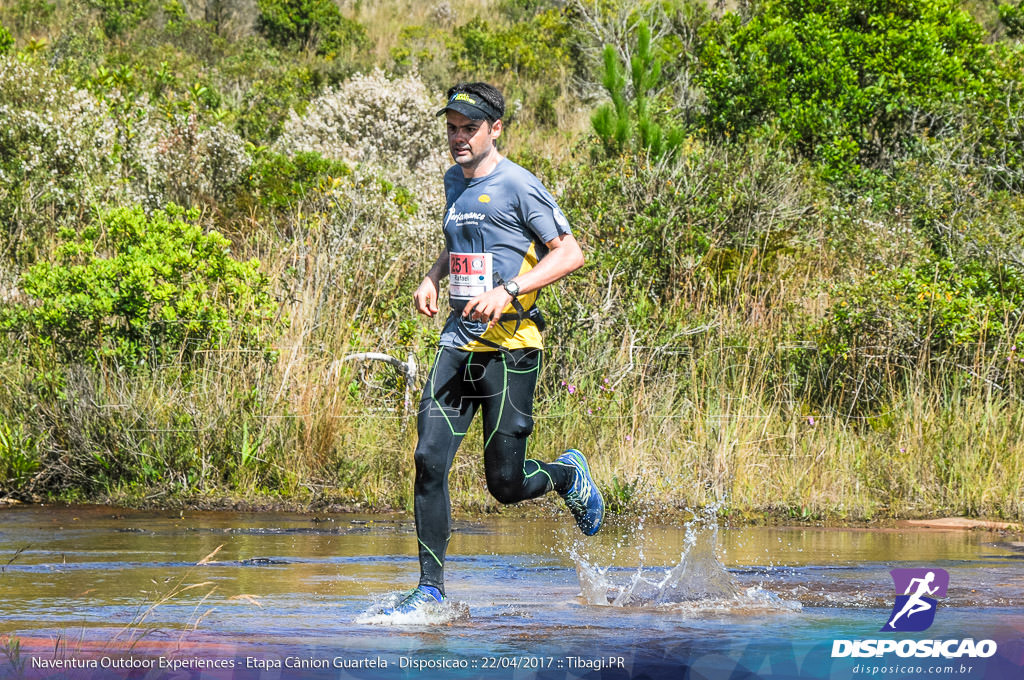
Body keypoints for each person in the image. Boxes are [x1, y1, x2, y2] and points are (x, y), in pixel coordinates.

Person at [385, 82, 605, 614]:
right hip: (458, 344)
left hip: (511, 350)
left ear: (495, 129)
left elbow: (570, 253)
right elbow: (458, 244)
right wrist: (433, 276)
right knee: (428, 459)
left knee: (505, 484)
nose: (459, 138)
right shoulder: (451, 182)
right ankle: (431, 591)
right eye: (452, 128)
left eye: (469, 128)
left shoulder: (520, 185)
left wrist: (509, 290)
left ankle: (568, 474)